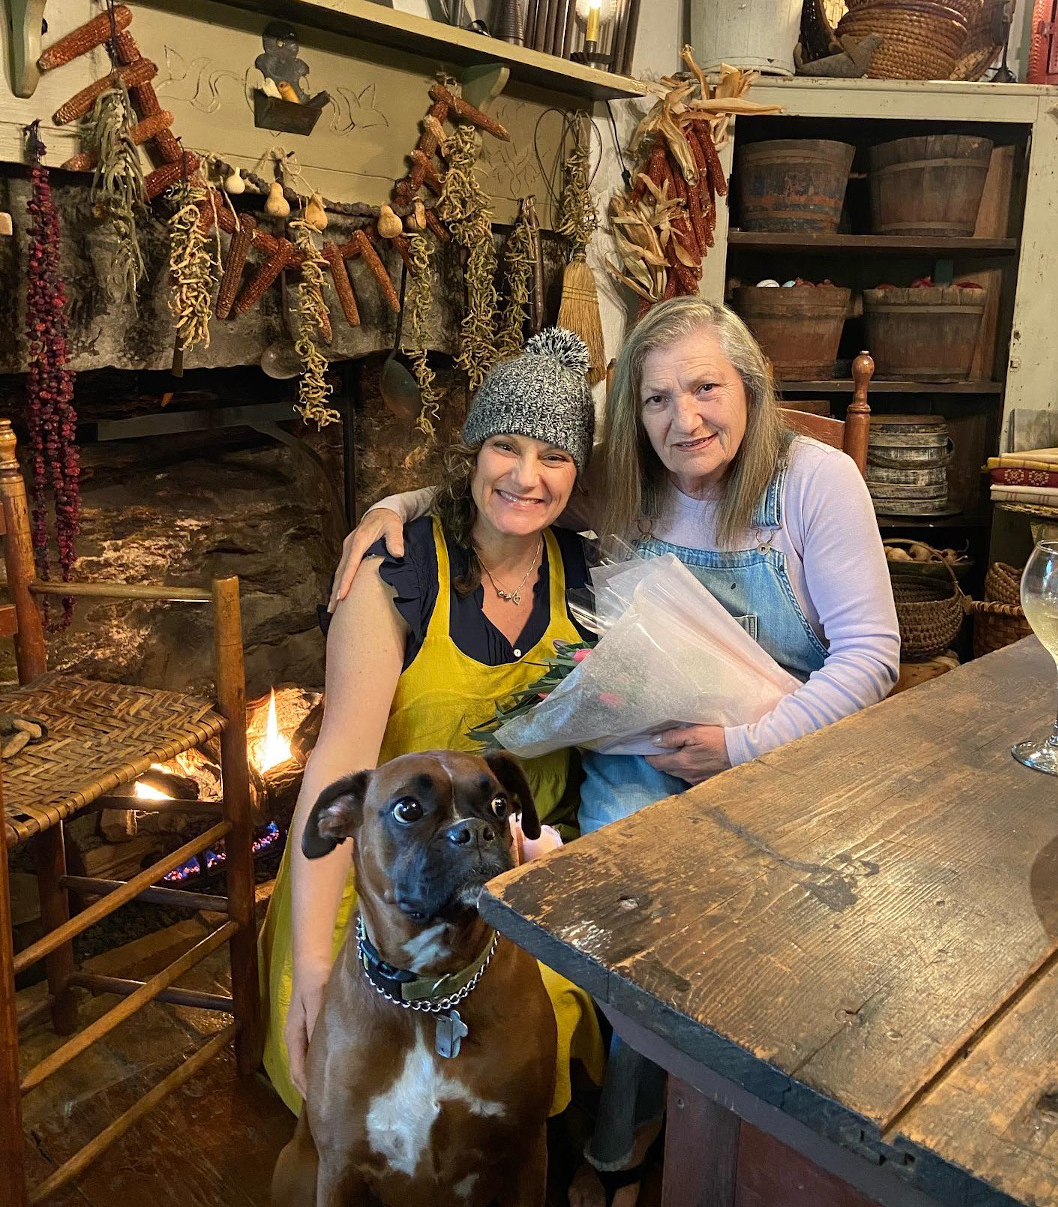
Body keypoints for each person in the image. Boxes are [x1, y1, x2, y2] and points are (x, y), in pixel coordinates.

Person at [331, 296, 900, 1204]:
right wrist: (393, 504)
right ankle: (619, 1138)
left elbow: (872, 657)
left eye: (706, 388)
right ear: (632, 415)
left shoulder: (815, 482)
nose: (685, 420)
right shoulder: (626, 482)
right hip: (645, 754)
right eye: (656, 399)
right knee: (623, 917)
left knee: (794, 925)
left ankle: (767, 1134)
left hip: (790, 752)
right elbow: (512, 480)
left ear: (750, 388)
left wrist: (743, 746)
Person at [259, 328, 605, 1123]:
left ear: (577, 473)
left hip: (518, 878)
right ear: (473, 451)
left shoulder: (586, 574)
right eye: (506, 447)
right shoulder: (399, 571)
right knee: (371, 1103)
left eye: (554, 456)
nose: (526, 476)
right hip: (388, 880)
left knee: (510, 1093)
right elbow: (336, 763)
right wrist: (314, 968)